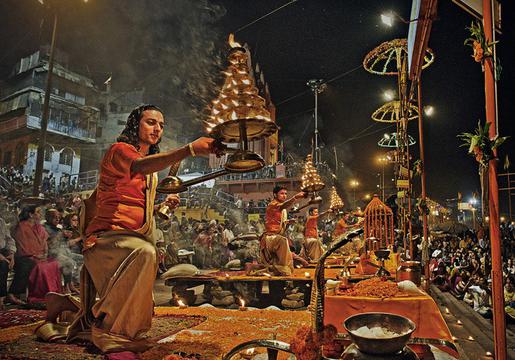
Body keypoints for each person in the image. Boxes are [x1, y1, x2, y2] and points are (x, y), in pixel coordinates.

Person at [36, 104, 218, 353]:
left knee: (143, 277)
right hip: (106, 238)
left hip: (131, 238)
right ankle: (111, 333)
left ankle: (72, 308)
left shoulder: (149, 173)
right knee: (145, 253)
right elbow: (139, 168)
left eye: (161, 125)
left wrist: (162, 206)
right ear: (136, 124)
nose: (158, 129)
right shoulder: (120, 151)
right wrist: (188, 150)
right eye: (151, 122)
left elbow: (136, 211)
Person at [259, 186, 306, 275]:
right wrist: (295, 197)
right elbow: (283, 205)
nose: (284, 196)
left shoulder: (282, 210)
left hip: (276, 237)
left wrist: (287, 222)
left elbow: (279, 224)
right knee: (283, 240)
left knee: (287, 241)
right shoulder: (273, 204)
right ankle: (283, 268)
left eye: (285, 194)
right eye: (282, 193)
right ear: (275, 195)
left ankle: (282, 268)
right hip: (269, 237)